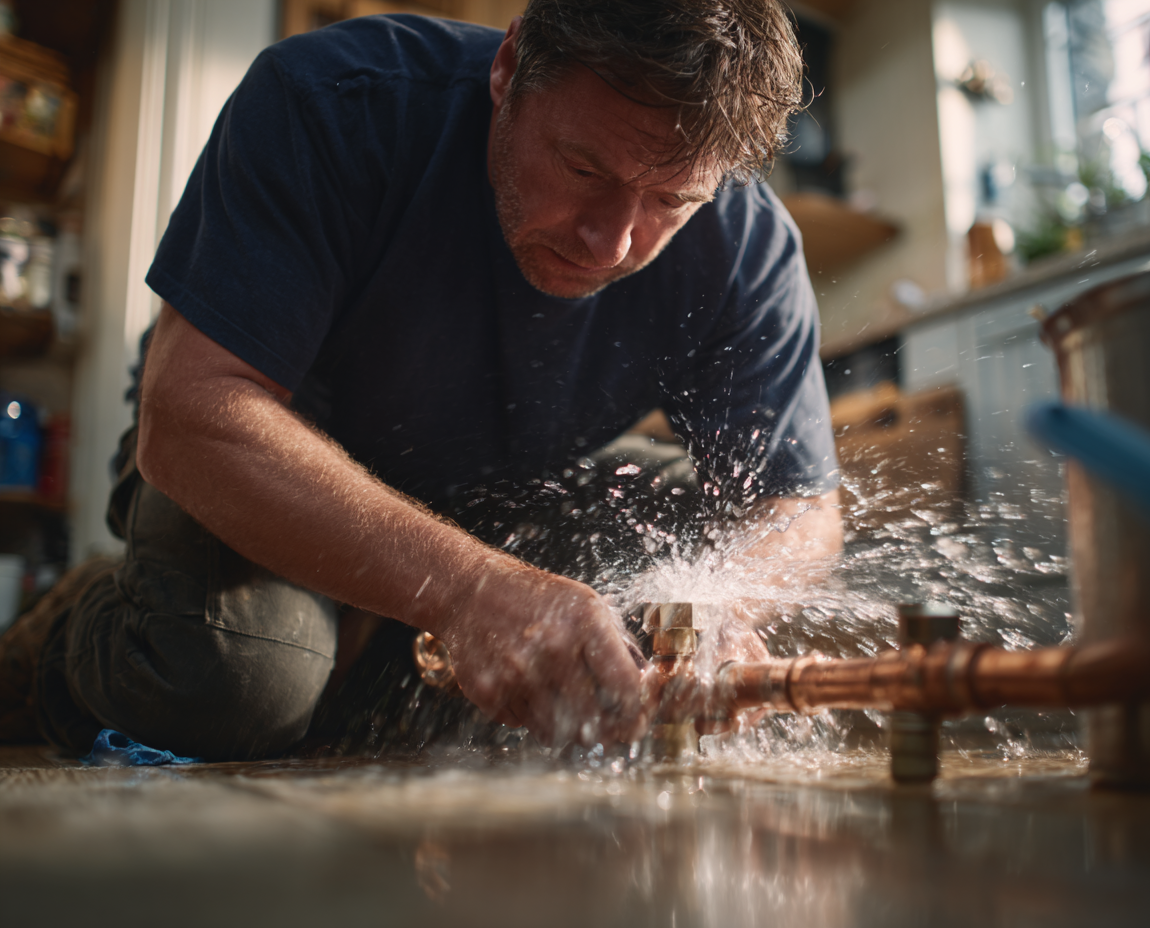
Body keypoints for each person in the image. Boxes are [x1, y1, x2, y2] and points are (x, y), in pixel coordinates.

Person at [3, 0, 842, 760]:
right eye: (585, 170)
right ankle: (105, 625)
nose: (612, 242)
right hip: (268, 457)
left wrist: (720, 608)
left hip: (500, 488)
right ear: (509, 69)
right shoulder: (332, 100)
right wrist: (469, 589)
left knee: (678, 573)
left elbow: (801, 511)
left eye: (671, 201)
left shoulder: (749, 247)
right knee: (239, 685)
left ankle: (356, 665)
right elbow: (190, 414)